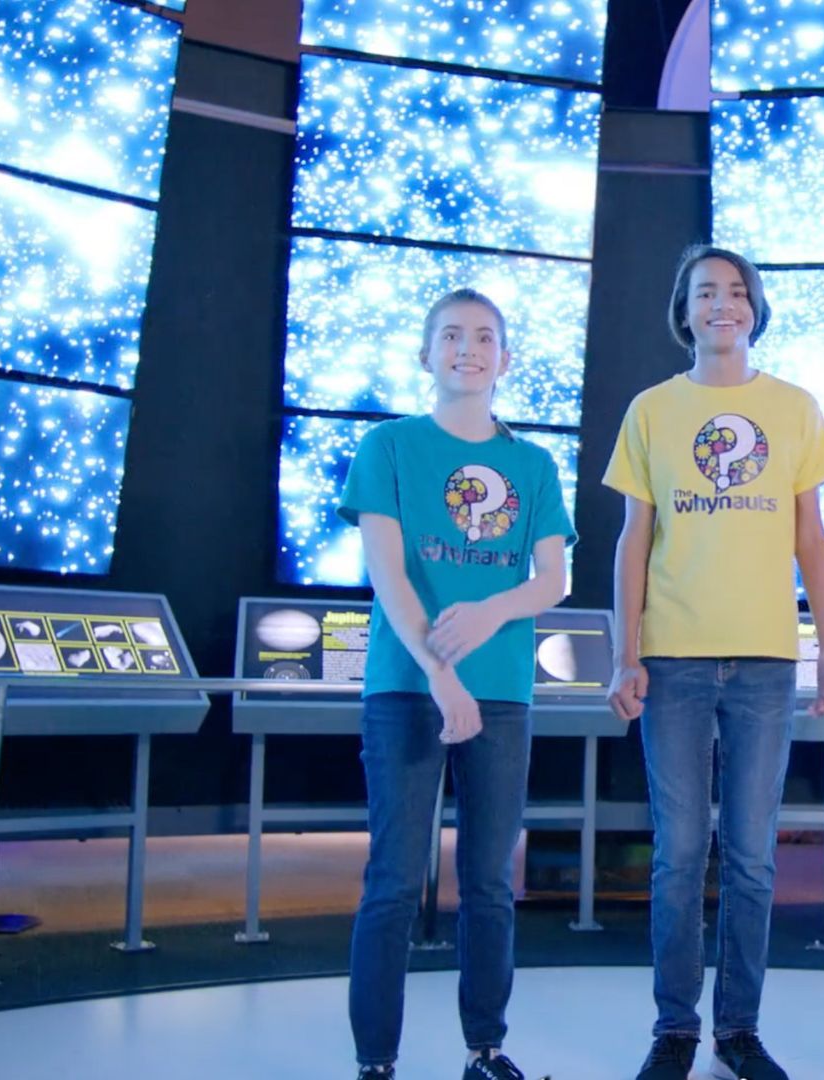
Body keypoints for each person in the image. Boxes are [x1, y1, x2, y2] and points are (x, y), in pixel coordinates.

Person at [604, 244, 824, 1080]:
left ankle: (737, 1030)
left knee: (750, 856)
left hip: (765, 664)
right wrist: (625, 655)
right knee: (678, 854)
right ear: (684, 310)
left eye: (737, 291)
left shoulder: (794, 407)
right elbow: (634, 541)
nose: (723, 304)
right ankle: (675, 1028)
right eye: (706, 291)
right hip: (672, 659)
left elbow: (811, 538)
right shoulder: (651, 410)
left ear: (755, 308)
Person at [342, 289, 574, 1080]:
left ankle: (486, 1049)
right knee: (395, 881)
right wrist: (441, 676)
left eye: (484, 338)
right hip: (407, 691)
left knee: (488, 883)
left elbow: (552, 579)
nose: (467, 348)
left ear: (505, 360)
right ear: (426, 353)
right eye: (451, 336)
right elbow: (390, 576)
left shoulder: (532, 464)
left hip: (504, 692)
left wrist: (488, 611)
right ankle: (376, 1061)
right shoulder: (389, 448)